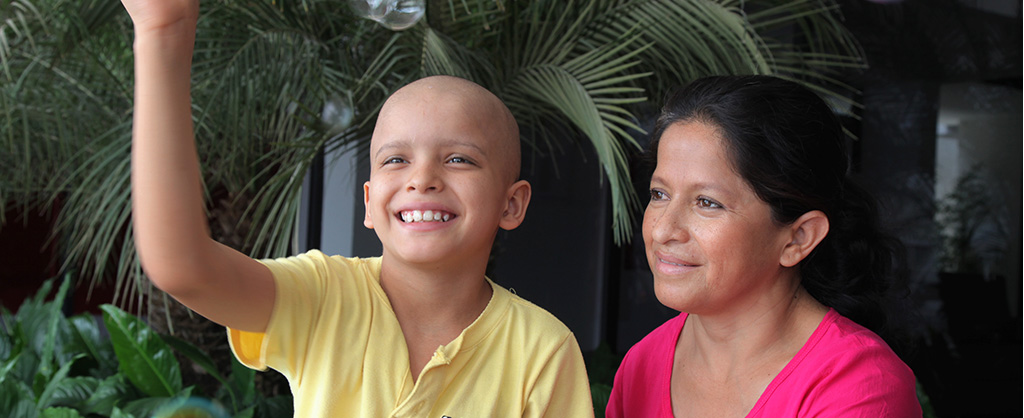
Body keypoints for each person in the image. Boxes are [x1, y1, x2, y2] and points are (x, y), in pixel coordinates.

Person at [122, 1, 594, 416]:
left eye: (458, 159)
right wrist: (164, 30)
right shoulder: (323, 297)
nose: (422, 178)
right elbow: (181, 267)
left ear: (511, 204)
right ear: (369, 203)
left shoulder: (543, 351)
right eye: (396, 160)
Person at [606, 75, 921, 417]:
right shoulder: (642, 364)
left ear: (798, 237)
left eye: (707, 203)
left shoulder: (859, 386)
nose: (664, 229)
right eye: (659, 194)